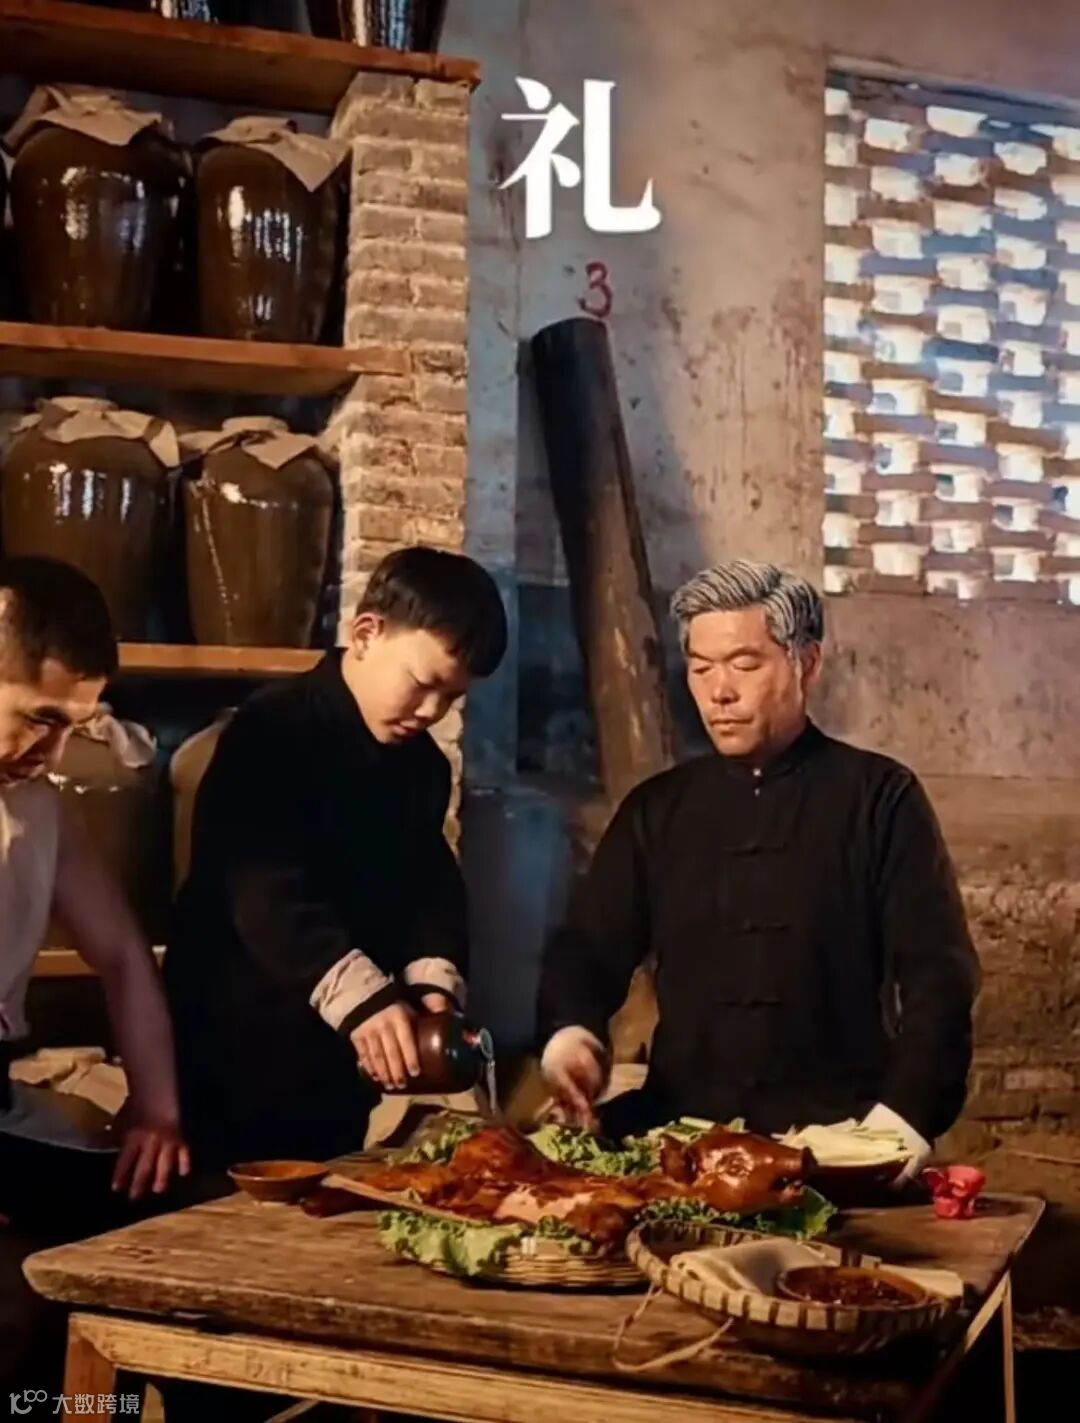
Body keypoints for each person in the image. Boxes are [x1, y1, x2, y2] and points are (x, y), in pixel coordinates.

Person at [538, 560, 979, 1178]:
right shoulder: (658, 809)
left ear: (807, 664)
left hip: (832, 1137)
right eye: (700, 669)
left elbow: (939, 975)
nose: (719, 692)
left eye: (744, 665)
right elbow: (588, 948)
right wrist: (573, 1038)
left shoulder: (879, 798)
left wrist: (902, 1120)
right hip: (679, 1136)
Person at [166, 546, 507, 1175]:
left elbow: (427, 884)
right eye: (422, 683)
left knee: (327, 1192)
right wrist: (365, 1001)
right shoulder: (271, 731)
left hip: (334, 1059)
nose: (431, 712)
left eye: (452, 698)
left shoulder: (423, 768)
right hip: (233, 1042)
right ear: (366, 633)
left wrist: (433, 985)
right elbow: (264, 891)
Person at [0, 556, 189, 1388]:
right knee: (16, 1299)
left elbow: (121, 954)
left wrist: (157, 1110)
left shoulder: (39, 803)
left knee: (163, 1228)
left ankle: (89, 1414)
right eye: (39, 719)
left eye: (72, 727)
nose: (52, 751)